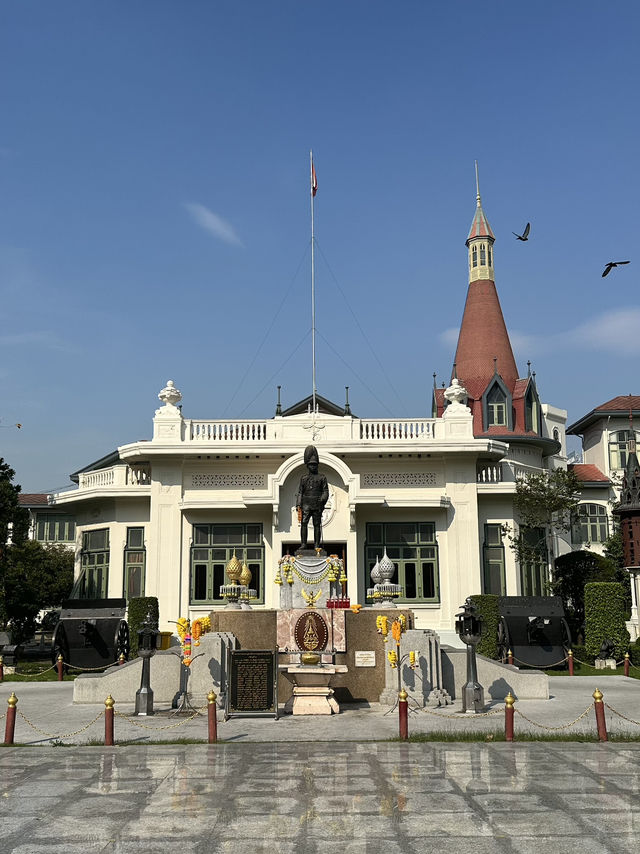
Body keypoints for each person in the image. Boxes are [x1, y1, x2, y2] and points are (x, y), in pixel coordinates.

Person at [296, 445, 329, 551]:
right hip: (306, 504)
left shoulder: (322, 478)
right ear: (308, 466)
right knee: (304, 523)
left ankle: (316, 545)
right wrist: (298, 504)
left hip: (317, 503)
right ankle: (303, 544)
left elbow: (325, 491)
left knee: (317, 524)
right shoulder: (304, 478)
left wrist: (323, 498)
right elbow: (300, 492)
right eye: (311, 465)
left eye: (315, 465)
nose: (313, 467)